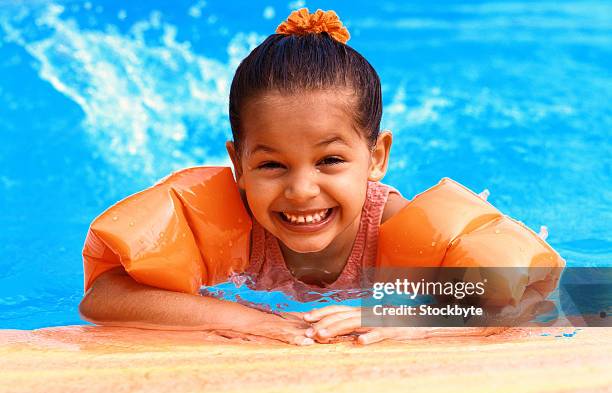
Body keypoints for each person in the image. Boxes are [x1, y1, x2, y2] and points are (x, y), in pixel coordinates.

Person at [79, 9, 528, 345]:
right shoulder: (223, 226)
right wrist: (243, 319)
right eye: (272, 165)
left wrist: (407, 322)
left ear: (376, 156)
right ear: (238, 165)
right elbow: (103, 296)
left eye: (330, 161)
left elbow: (543, 299)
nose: (301, 191)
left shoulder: (397, 231)